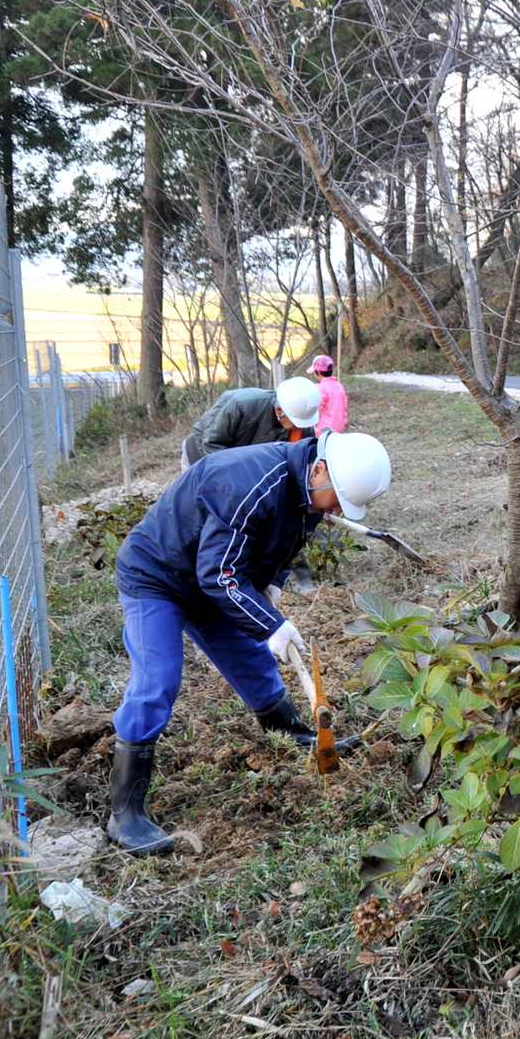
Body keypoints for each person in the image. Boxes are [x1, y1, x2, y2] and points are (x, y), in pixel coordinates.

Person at [104, 431, 393, 854]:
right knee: (157, 680)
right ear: (320, 469)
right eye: (336, 500)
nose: (334, 510)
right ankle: (125, 814)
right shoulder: (246, 485)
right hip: (159, 576)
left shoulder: (309, 490)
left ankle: (293, 734)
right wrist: (271, 624)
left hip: (209, 578)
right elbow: (219, 575)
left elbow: (283, 540)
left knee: (253, 661)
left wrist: (271, 584)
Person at [181, 377, 323, 468]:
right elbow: (212, 443)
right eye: (296, 422)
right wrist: (239, 473)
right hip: (201, 452)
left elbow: (302, 458)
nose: (299, 427)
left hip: (243, 459)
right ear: (279, 410)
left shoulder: (301, 422)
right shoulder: (242, 405)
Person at [309, 354, 348, 434]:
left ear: (318, 372)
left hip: (323, 433)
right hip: (338, 431)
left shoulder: (320, 388)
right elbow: (344, 409)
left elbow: (316, 412)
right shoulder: (339, 386)